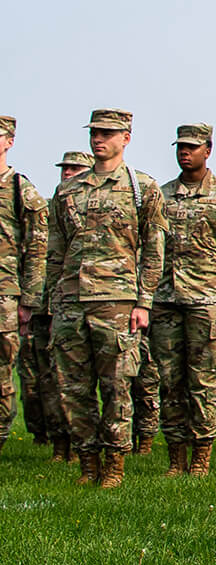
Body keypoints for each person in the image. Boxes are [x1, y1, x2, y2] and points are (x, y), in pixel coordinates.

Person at [47, 109, 167, 488]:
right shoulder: (68, 190)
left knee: (117, 385)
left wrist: (144, 301)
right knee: (73, 388)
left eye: (108, 133)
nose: (99, 139)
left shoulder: (141, 187)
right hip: (70, 300)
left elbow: (154, 249)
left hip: (116, 301)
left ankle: (114, 464)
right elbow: (55, 249)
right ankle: (87, 462)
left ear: (126, 137)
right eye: (95, 132)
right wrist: (53, 302)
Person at [150, 124, 216, 477]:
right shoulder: (161, 195)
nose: (184, 152)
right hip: (165, 300)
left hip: (206, 301)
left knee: (203, 381)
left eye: (192, 147)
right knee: (169, 380)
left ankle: (201, 457)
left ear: (208, 150)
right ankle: (176, 458)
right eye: (180, 146)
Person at [22, 151, 91, 462]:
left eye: (75, 168)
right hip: (44, 304)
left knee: (75, 378)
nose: (68, 173)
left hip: (79, 302)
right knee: (46, 380)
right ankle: (58, 443)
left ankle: (81, 446)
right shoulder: (52, 207)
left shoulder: (95, 208)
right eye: (65, 168)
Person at [0, 115, 48, 455]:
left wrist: (28, 300)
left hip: (4, 295)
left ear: (9, 142)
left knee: (2, 374)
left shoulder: (20, 189)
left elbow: (37, 247)